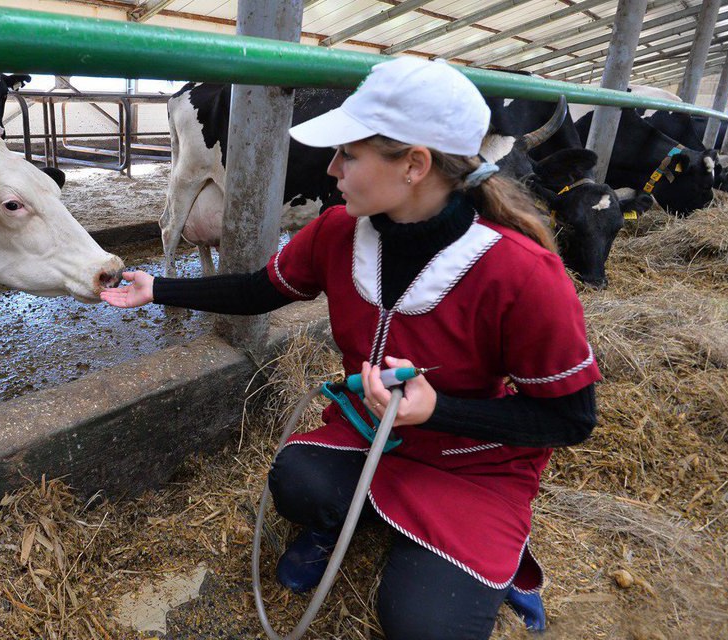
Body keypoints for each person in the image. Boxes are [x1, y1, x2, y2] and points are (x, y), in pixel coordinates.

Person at [101, 56, 599, 640]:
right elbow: (259, 289)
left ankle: (495, 559)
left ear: (414, 166)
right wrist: (157, 287)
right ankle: (342, 522)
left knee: (422, 626)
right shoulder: (340, 231)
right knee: (295, 478)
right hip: (366, 431)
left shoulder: (522, 272)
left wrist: (440, 410)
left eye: (349, 154)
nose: (331, 168)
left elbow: (571, 419)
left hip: (471, 462)